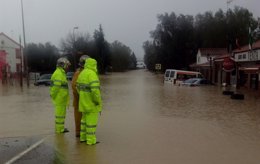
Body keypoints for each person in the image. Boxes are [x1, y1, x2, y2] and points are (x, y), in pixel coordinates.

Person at [76, 57, 102, 145]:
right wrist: (97, 101)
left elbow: (77, 87)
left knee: (84, 122)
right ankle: (91, 141)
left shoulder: (82, 73)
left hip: (83, 103)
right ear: (94, 65)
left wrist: (83, 96)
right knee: (91, 123)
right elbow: (95, 91)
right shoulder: (92, 74)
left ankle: (83, 138)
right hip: (91, 104)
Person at [50, 57, 71, 133]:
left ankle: (61, 128)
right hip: (60, 99)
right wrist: (53, 96)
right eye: (67, 65)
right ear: (63, 65)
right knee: (59, 115)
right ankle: (59, 130)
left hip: (61, 99)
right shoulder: (59, 74)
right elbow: (56, 87)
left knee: (61, 115)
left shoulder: (61, 73)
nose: (68, 68)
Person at [71, 55, 89, 137]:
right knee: (79, 118)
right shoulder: (78, 73)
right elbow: (74, 87)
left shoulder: (88, 73)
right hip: (79, 101)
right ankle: (79, 133)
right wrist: (81, 97)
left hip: (85, 101)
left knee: (85, 119)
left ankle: (84, 133)